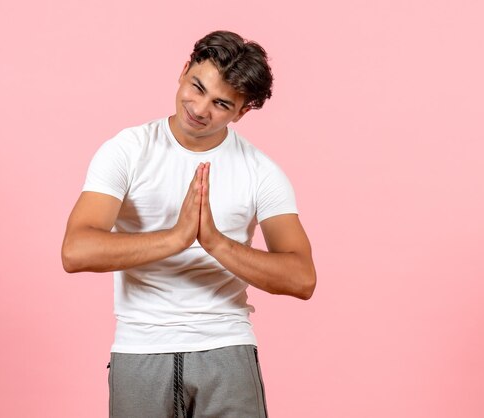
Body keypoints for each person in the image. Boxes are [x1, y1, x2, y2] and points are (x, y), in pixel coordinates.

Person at [61, 30, 316, 418]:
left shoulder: (261, 171)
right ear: (184, 70)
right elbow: (76, 251)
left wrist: (215, 242)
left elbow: (301, 278)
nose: (199, 108)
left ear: (242, 112)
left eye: (220, 103)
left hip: (226, 347)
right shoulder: (128, 150)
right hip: (140, 349)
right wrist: (177, 237)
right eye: (196, 87)